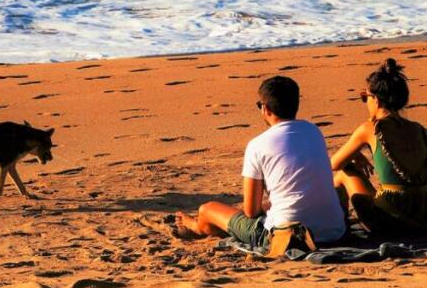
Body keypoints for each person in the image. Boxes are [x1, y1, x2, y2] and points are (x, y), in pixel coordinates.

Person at [175, 76, 346, 247]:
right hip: (334, 230)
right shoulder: (313, 131)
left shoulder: (258, 145)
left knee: (207, 209)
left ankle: (196, 226)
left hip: (287, 236)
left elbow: (251, 211)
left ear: (265, 109)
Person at [331, 58, 427, 233]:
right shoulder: (418, 129)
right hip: (421, 214)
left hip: (391, 219)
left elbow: (334, 164)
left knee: (344, 173)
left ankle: (340, 229)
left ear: (375, 99)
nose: (365, 102)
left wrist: (353, 155)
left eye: (364, 97)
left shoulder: (370, 129)